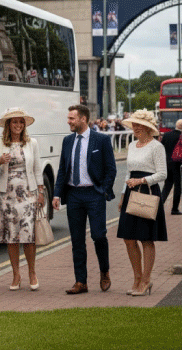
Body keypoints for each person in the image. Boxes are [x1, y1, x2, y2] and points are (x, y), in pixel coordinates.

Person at [53, 104, 117, 295]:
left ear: (83, 119)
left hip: (93, 194)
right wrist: (56, 194)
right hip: (73, 195)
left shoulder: (101, 140)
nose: (68, 122)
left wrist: (102, 191)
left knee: (98, 235)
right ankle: (81, 281)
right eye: (68, 118)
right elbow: (62, 169)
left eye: (72, 118)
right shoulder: (67, 141)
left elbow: (111, 169)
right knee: (77, 241)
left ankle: (104, 271)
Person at [0, 108, 45, 291]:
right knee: (11, 236)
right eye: (15, 122)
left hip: (28, 194)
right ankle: (16, 275)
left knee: (28, 236)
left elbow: (37, 168)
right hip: (7, 195)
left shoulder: (32, 143)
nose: (18, 125)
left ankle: (32, 272)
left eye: (21, 122)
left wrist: (41, 193)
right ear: (8, 124)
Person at [117, 109, 167, 296]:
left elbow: (163, 174)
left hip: (148, 192)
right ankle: (137, 278)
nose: (135, 128)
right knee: (128, 238)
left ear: (148, 127)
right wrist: (123, 195)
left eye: (139, 125)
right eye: (134, 124)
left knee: (146, 238)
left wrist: (142, 181)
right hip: (131, 192)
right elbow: (129, 173)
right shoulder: (131, 145)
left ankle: (146, 280)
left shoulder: (156, 147)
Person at [160, 119, 182, 215]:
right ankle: (174, 209)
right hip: (178, 165)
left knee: (167, 186)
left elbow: (161, 148)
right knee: (178, 187)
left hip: (167, 164)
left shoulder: (166, 135)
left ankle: (159, 206)